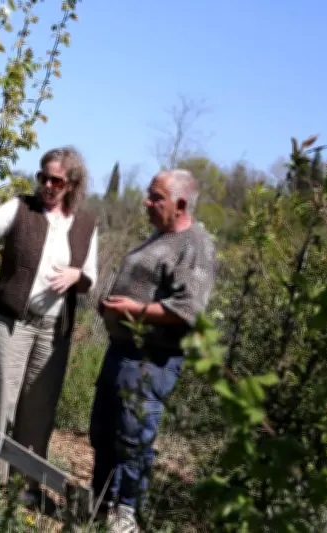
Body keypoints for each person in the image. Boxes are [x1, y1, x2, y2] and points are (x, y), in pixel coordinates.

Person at [0, 146, 98, 506]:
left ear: (72, 183)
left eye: (56, 180)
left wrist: (77, 275)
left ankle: (26, 488)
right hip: (11, 323)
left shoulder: (86, 223)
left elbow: (91, 275)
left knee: (38, 409)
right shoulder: (21, 208)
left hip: (53, 331)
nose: (48, 185)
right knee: (0, 403)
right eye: (44, 177)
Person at [91, 169, 217, 533]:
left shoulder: (196, 245)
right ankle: (99, 503)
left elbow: (187, 310)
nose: (146, 202)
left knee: (133, 437)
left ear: (179, 205)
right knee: (104, 430)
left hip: (151, 361)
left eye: (155, 197)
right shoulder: (160, 235)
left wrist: (130, 310)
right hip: (121, 351)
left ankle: (125, 513)